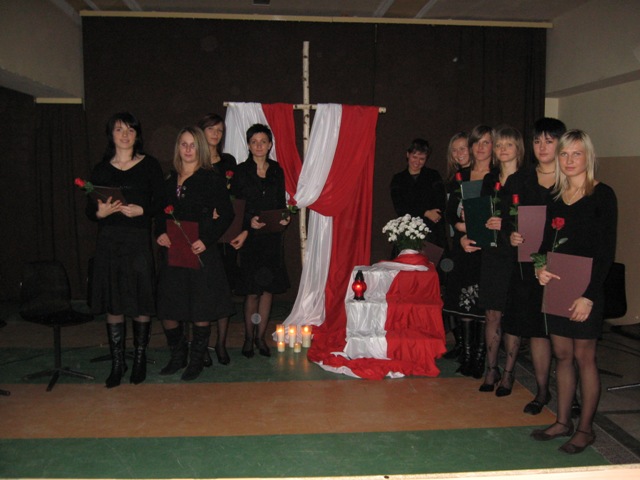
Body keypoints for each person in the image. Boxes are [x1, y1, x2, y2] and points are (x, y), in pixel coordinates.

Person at [531, 130, 617, 454]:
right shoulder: (554, 197)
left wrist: (589, 295)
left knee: (584, 358)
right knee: (562, 356)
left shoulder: (602, 195)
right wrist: (540, 267)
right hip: (558, 285)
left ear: (588, 157)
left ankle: (585, 429)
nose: (569, 160)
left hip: (587, 288)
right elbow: (543, 243)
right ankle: (563, 421)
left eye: (576, 154)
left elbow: (606, 252)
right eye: (564, 154)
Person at [86, 112, 165, 388]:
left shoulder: (149, 165)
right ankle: (117, 363)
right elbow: (89, 210)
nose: (125, 134)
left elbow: (162, 201)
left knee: (140, 299)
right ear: (111, 134)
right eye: (119, 129)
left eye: (130, 130)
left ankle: (139, 359)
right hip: (109, 241)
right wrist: (100, 212)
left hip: (137, 240)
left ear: (137, 135)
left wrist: (143, 210)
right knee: (114, 300)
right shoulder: (101, 169)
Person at [155, 126, 235, 381]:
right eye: (183, 144)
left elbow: (227, 213)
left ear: (200, 147)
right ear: (177, 148)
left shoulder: (210, 178)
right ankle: (177, 356)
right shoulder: (170, 179)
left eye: (192, 145)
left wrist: (207, 240)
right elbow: (159, 213)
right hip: (174, 253)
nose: (188, 149)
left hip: (200, 252)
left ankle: (196, 361)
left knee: (201, 308)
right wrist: (160, 232)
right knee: (169, 308)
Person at [505, 118, 567, 412]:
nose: (542, 147)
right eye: (537, 141)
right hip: (527, 266)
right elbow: (506, 218)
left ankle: (570, 394)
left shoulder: (570, 178)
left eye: (549, 141)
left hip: (562, 266)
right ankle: (542, 392)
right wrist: (510, 234)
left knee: (564, 337)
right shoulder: (519, 179)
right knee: (536, 330)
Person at [230, 124, 290, 358]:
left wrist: (285, 218)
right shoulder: (241, 171)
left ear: (270, 144)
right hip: (250, 238)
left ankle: (260, 337)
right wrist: (249, 222)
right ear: (248, 144)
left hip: (272, 237)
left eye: (263, 141)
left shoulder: (276, 170)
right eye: (254, 141)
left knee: (267, 290)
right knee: (252, 291)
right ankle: (248, 338)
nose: (258, 146)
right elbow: (236, 206)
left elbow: (280, 204)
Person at [442, 125, 494, 378]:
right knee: (464, 304)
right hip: (465, 246)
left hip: (489, 250)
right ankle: (468, 355)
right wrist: (461, 231)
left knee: (482, 305)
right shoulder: (461, 176)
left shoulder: (497, 176)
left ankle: (480, 358)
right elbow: (450, 211)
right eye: (477, 143)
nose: (480, 148)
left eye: (486, 143)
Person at [477, 125, 524, 394]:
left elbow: (531, 220)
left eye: (508, 144)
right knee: (491, 313)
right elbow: (482, 214)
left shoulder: (527, 179)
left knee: (512, 315)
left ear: (518, 148)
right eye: (498, 145)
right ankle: (491, 368)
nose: (502, 149)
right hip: (493, 254)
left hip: (516, 254)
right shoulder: (489, 179)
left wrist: (504, 224)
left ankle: (508, 373)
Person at [197, 113, 238, 366]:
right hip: (201, 235)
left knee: (224, 292)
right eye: (211, 129)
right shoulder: (193, 159)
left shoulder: (228, 161)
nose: (215, 134)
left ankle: (221, 343)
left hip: (225, 232)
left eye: (220, 130)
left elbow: (234, 198)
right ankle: (200, 346)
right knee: (201, 292)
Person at [390, 138, 447, 252]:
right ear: (408, 155)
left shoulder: (433, 175)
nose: (417, 161)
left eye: (422, 158)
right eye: (414, 157)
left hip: (432, 231)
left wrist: (431, 214)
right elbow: (400, 208)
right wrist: (425, 212)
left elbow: (441, 202)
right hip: (407, 233)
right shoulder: (398, 179)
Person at [442, 131, 470, 360]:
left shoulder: (481, 177)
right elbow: (450, 213)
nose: (459, 153)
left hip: (473, 244)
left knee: (469, 299)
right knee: (454, 294)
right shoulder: (453, 180)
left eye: (463, 148)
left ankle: (471, 349)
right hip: (457, 243)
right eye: (454, 150)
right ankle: (461, 343)